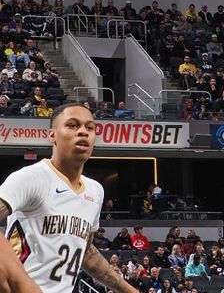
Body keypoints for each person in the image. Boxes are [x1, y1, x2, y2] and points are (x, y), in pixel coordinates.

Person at [0, 103, 138, 293]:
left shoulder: (95, 191)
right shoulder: (30, 178)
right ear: (52, 135)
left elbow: (86, 253)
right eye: (73, 125)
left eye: (90, 127)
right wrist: (23, 284)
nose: (83, 132)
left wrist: (130, 291)